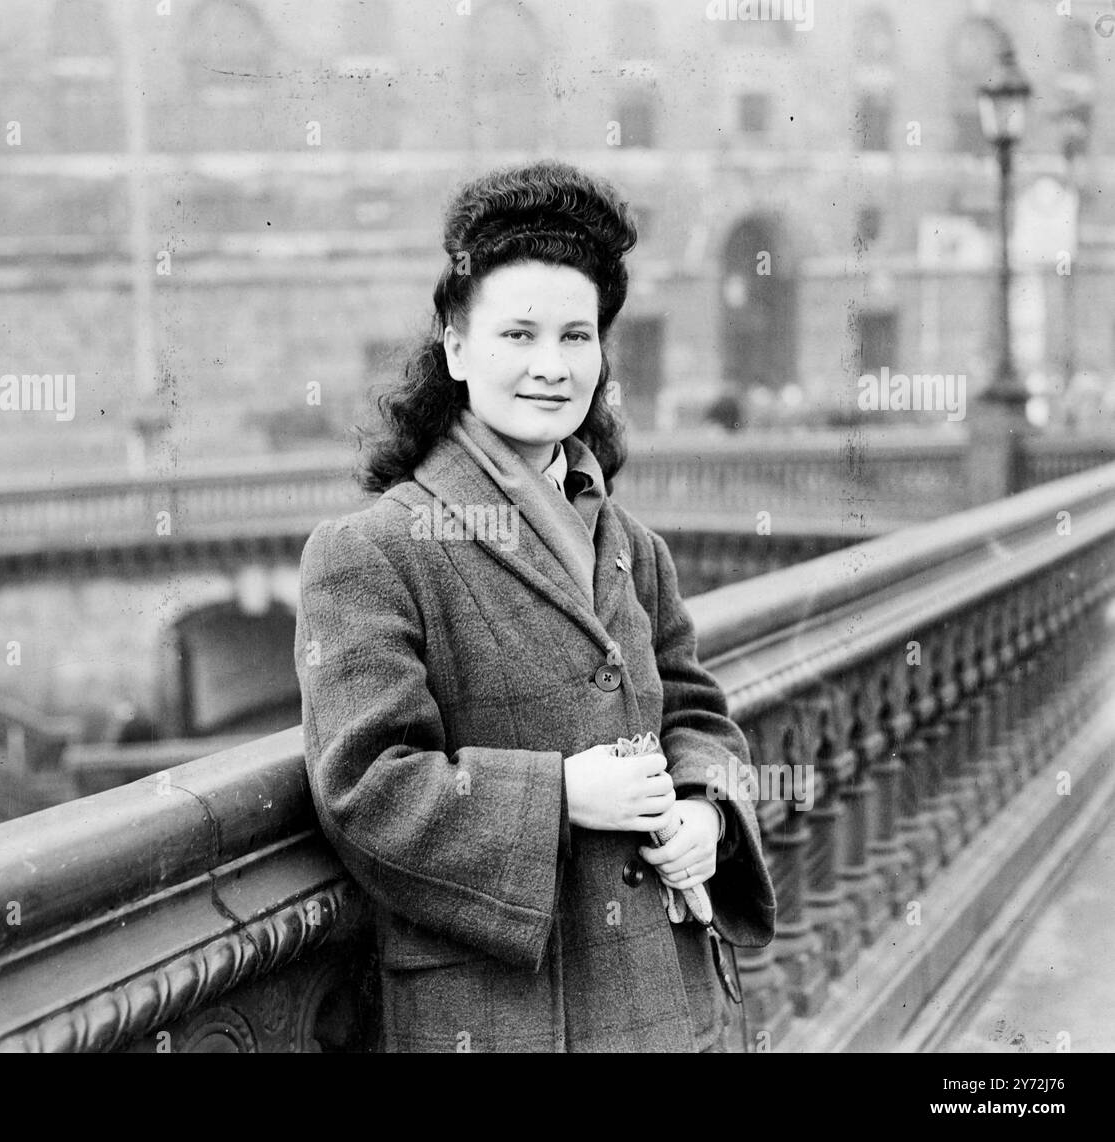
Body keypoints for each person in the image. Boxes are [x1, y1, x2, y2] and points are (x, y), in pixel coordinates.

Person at [293, 159, 776, 1053]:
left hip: (674, 1001)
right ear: (455, 344)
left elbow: (700, 713)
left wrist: (709, 812)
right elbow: (365, 788)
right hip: (510, 1019)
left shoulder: (631, 544)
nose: (551, 368)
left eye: (576, 337)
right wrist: (560, 795)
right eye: (517, 334)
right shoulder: (370, 552)